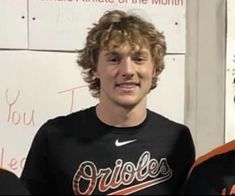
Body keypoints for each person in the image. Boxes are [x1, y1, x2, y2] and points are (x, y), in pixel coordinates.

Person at [20, 9, 195, 195]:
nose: (127, 70)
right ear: (95, 67)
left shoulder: (177, 139)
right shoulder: (55, 137)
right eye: (114, 59)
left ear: (154, 68)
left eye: (138, 59)